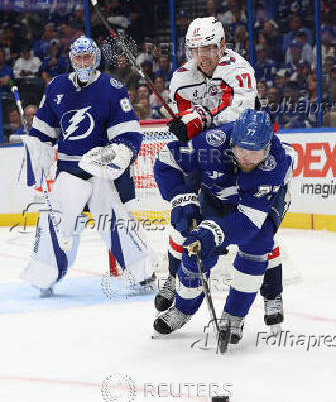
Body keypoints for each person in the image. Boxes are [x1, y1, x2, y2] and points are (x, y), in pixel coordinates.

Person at [155, 18, 284, 333]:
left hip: (246, 151)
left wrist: (197, 120)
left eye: (210, 47)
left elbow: (237, 118)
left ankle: (271, 293)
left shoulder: (239, 70)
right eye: (197, 49)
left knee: (262, 237)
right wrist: (183, 128)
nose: (204, 55)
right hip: (210, 156)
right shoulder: (181, 78)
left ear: (223, 45)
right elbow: (183, 123)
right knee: (186, 224)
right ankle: (177, 282)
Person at [22, 36, 156, 296]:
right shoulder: (57, 87)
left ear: (95, 58)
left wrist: (115, 154)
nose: (83, 62)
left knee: (115, 221)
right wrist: (37, 149)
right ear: (72, 59)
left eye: (88, 57)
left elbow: (128, 133)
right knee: (55, 221)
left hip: (99, 171)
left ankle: (144, 272)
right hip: (69, 170)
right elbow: (44, 131)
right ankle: (44, 276)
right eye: (79, 57)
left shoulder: (111, 87)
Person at [153, 109, 293, 345]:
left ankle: (235, 314)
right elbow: (166, 161)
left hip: (259, 204)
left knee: (258, 245)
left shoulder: (275, 163)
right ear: (232, 143)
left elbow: (248, 222)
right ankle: (183, 308)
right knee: (196, 248)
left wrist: (214, 233)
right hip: (217, 196)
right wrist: (183, 198)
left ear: (268, 148)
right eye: (242, 150)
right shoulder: (210, 144)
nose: (248, 158)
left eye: (256, 152)